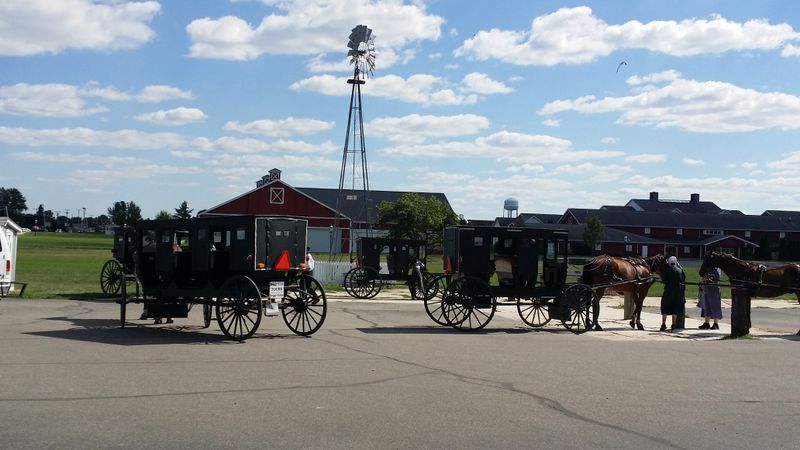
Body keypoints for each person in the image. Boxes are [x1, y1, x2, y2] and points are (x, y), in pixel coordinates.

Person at [660, 256, 686, 331]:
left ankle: (663, 324)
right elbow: (683, 280)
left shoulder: (667, 271)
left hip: (668, 292)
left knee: (664, 308)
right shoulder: (680, 271)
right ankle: (673, 324)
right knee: (675, 309)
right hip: (678, 293)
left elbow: (664, 280)